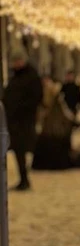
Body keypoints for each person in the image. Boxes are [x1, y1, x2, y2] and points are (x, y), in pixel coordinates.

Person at [2, 48, 43, 191]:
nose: (15, 64)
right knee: (18, 150)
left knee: (22, 149)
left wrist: (21, 108)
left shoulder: (31, 76)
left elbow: (36, 97)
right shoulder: (16, 77)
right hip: (13, 119)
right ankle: (23, 179)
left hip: (24, 120)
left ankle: (24, 179)